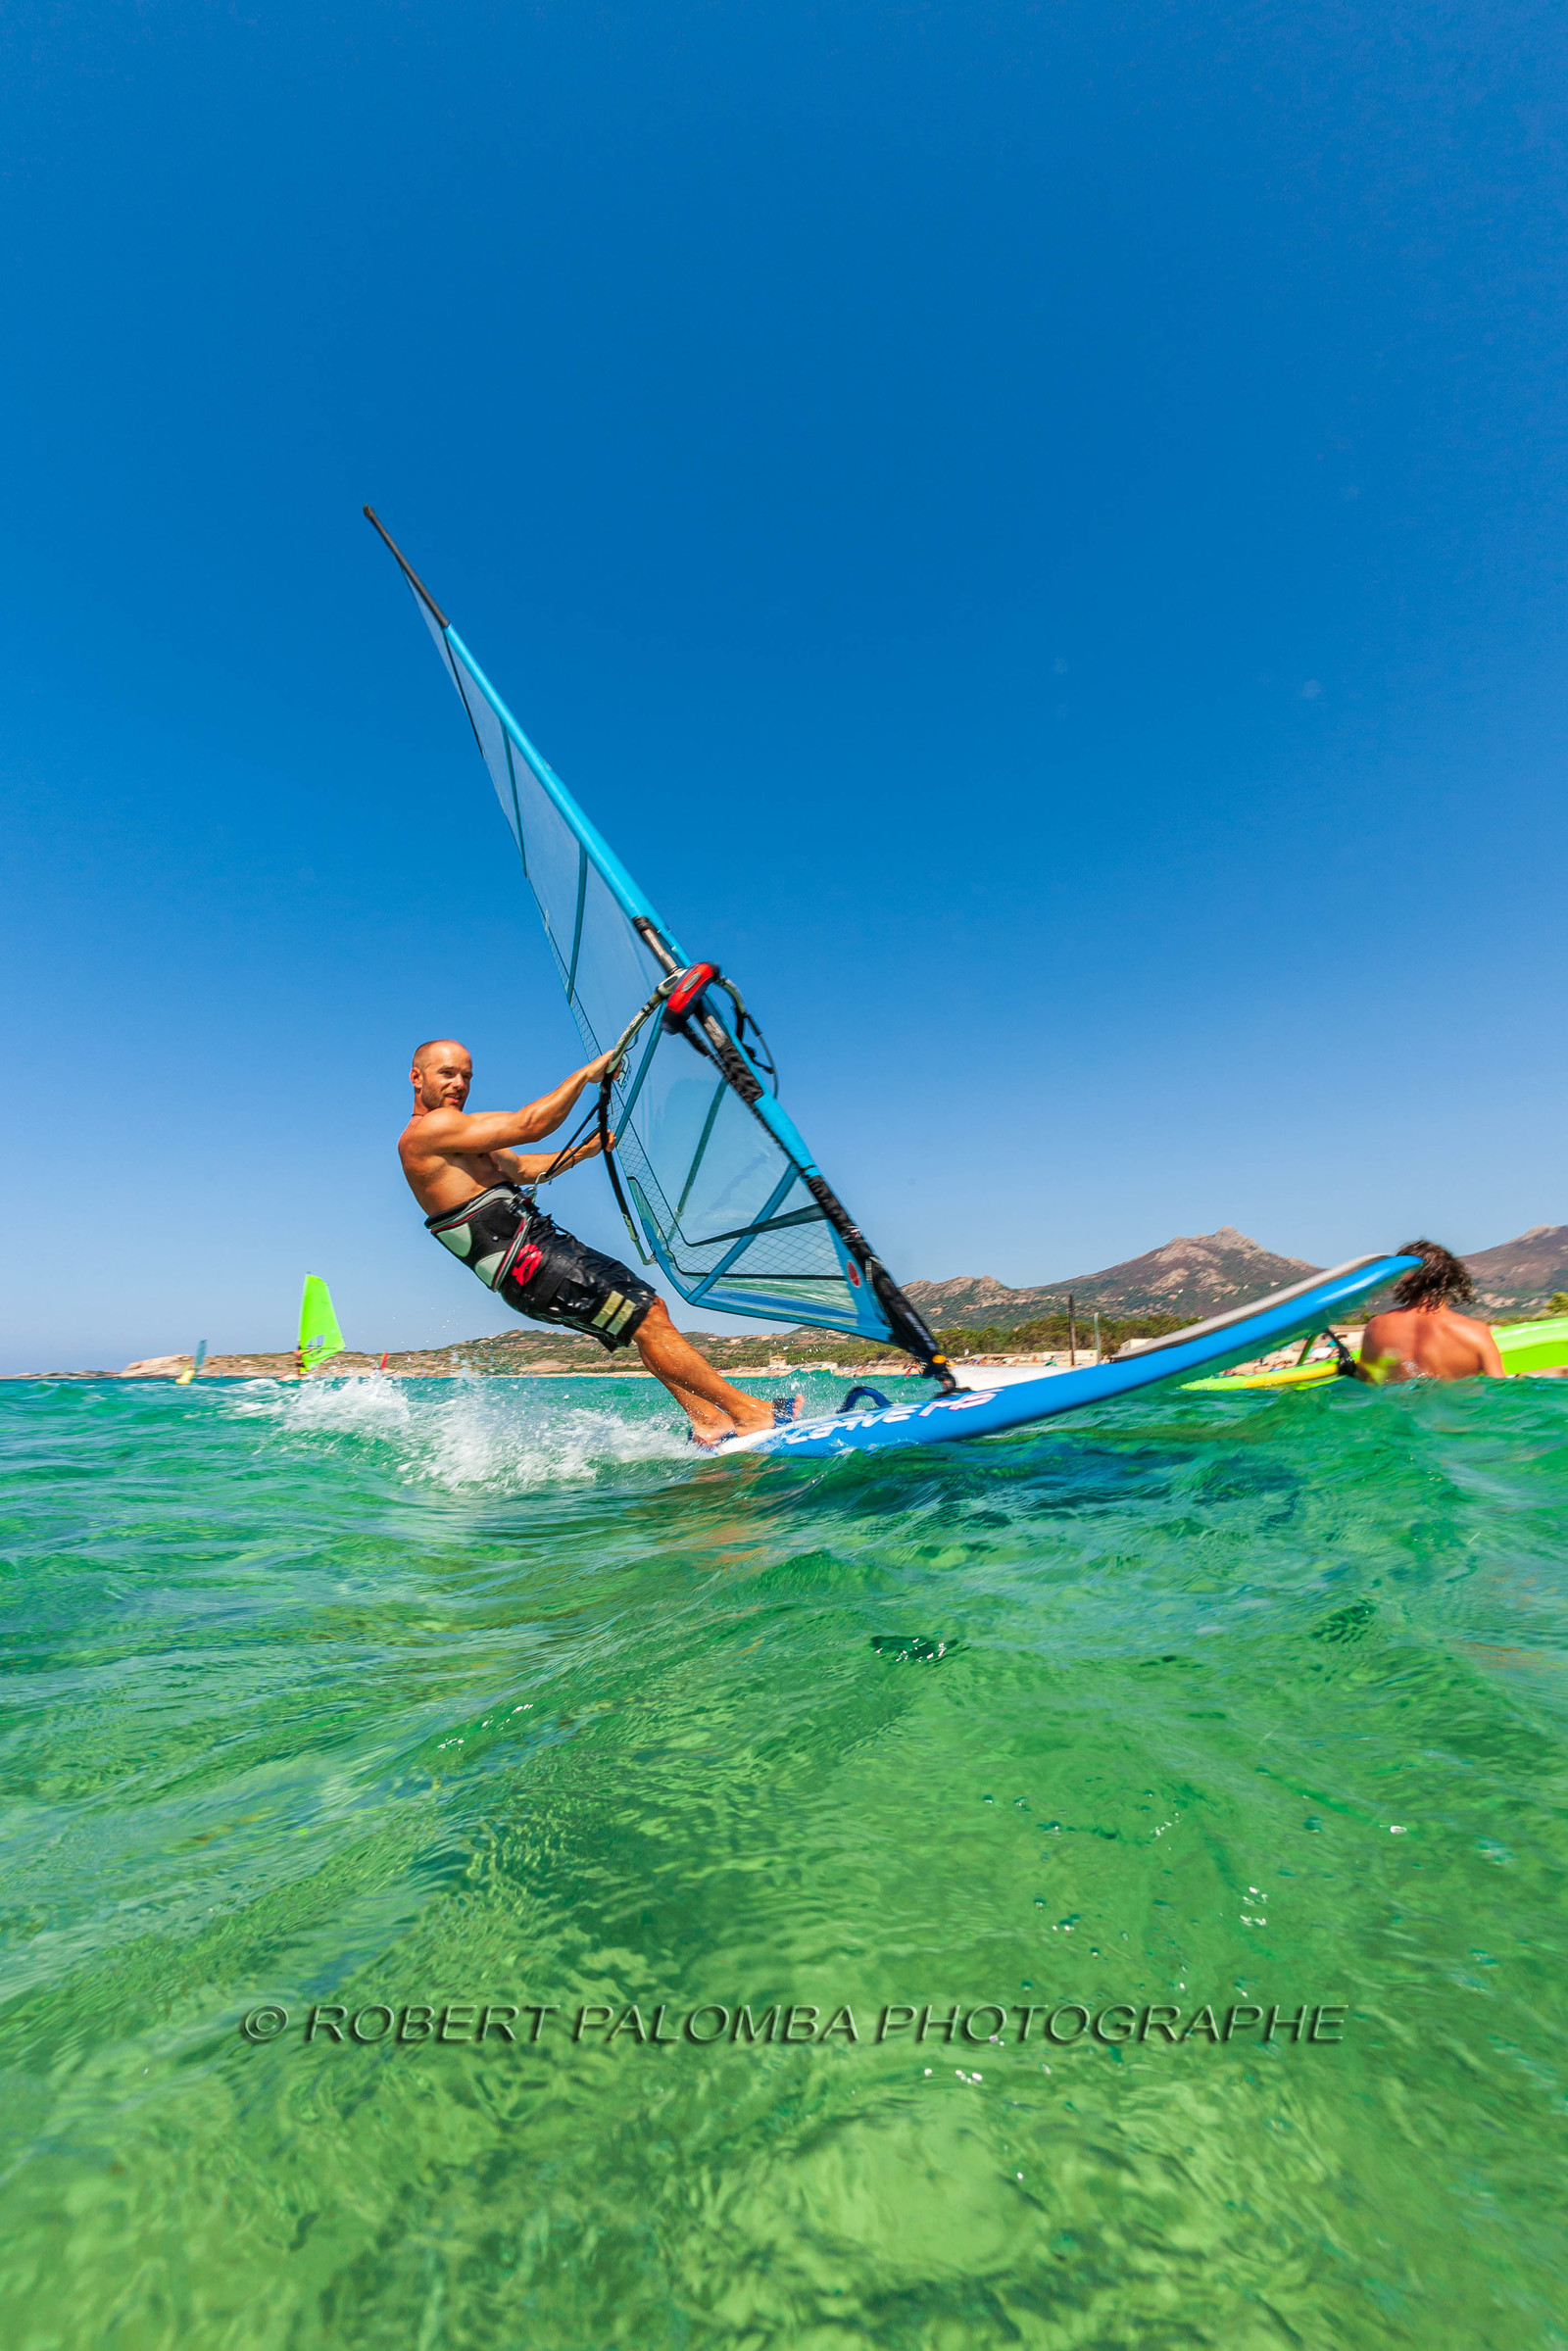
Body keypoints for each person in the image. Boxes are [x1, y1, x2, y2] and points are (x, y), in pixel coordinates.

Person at [398, 1039, 799, 1444]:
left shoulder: (463, 1140)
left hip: (536, 1254)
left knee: (648, 1313)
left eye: (466, 1075)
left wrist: (584, 1151)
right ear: (417, 1077)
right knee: (647, 1319)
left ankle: (708, 1420)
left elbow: (521, 1167)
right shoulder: (430, 1130)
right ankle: (750, 1414)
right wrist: (586, 1076)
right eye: (447, 1073)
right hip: (529, 1261)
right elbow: (529, 1125)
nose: (459, 1084)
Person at [1358, 1239, 1503, 1384]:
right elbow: (1499, 1391)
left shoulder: (1376, 1327)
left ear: (1402, 1279)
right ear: (1451, 1278)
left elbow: (1367, 1385)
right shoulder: (1474, 1332)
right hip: (1454, 1404)